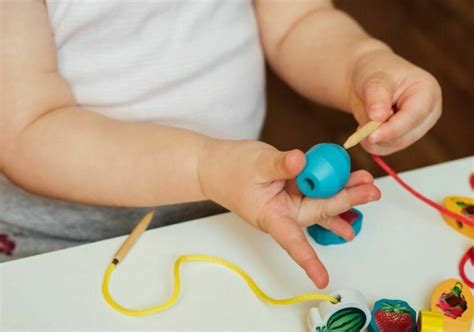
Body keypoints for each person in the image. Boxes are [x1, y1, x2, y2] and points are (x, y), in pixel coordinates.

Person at [0, 0, 441, 288]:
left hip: (227, 199)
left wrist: (362, 64)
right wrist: (204, 167)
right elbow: (29, 129)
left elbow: (298, 21)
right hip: (59, 238)